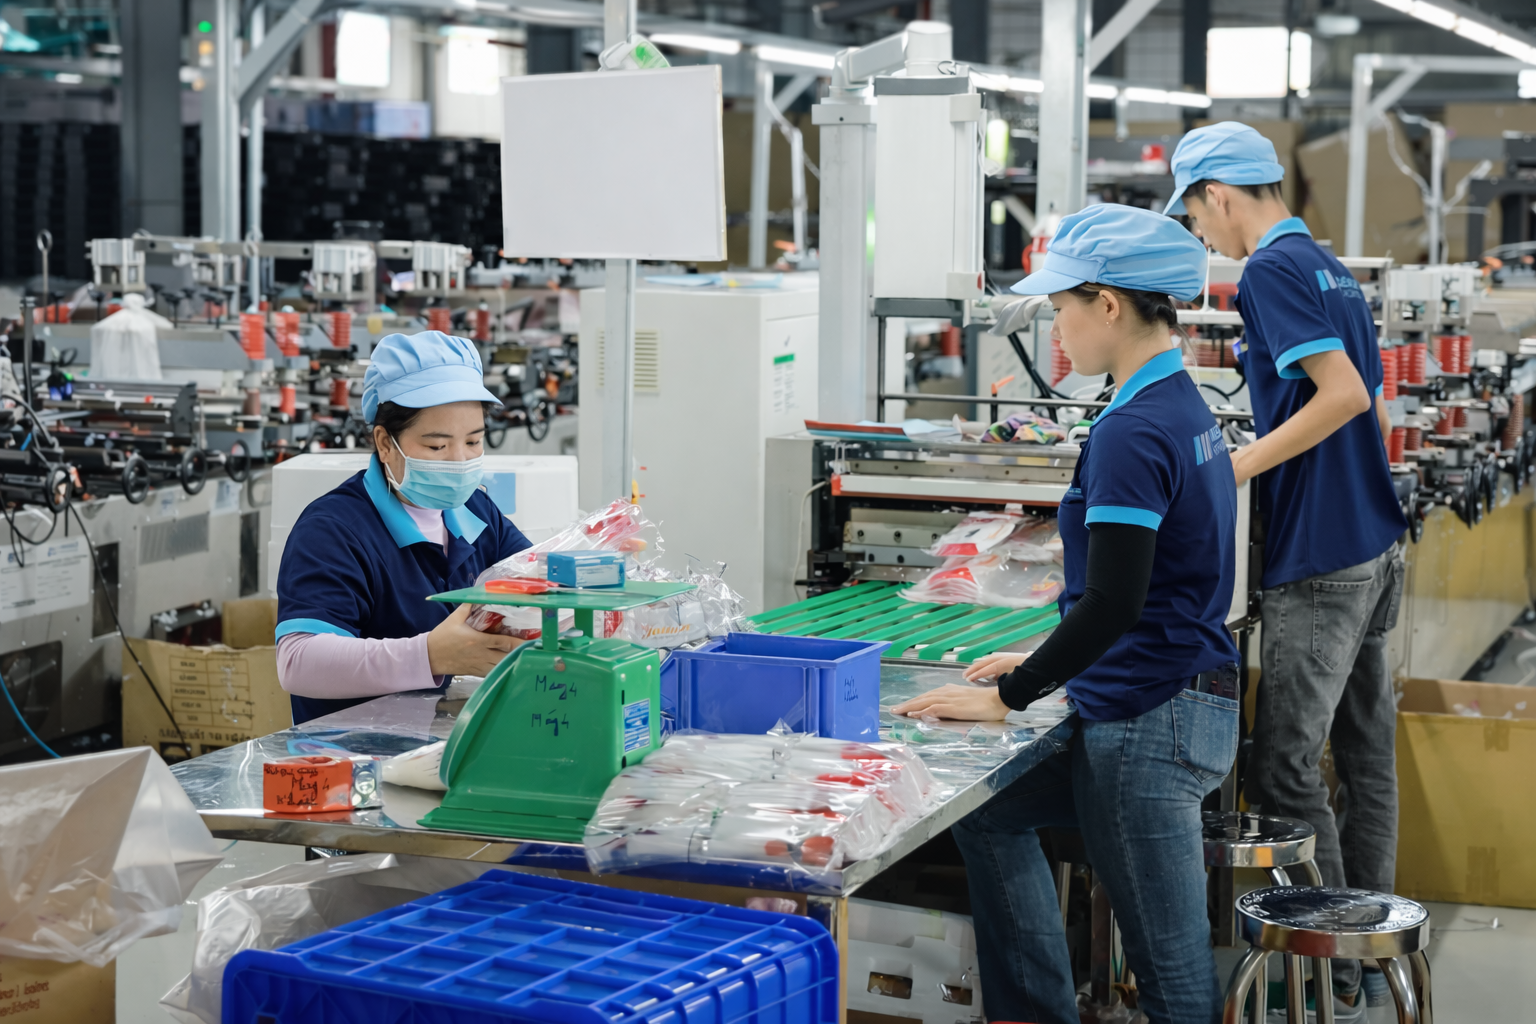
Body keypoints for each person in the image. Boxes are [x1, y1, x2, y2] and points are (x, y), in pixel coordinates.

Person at [894, 203, 1240, 1024]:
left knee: (1172, 974)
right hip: (1172, 692)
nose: (1058, 329)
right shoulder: (1181, 405)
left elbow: (1114, 601)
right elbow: (1140, 589)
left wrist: (1011, 695)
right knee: (987, 812)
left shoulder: (1133, 429)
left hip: (1151, 718)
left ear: (1109, 305)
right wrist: (1041, 659)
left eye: (1061, 308)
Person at [1166, 122, 1408, 1016]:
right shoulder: (1329, 267)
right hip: (1376, 541)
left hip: (1325, 561)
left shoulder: (1266, 271)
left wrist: (1233, 468)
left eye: (1198, 217)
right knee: (1365, 758)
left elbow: (1342, 395)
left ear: (1219, 195)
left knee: (1285, 768)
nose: (1204, 236)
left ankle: (1331, 957)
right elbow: (1367, 405)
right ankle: (1368, 955)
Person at [275, 330, 532, 725]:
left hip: (448, 746)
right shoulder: (334, 530)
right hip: (354, 762)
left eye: (474, 442)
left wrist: (596, 564)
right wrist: (430, 654)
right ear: (384, 442)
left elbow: (534, 581)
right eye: (436, 446)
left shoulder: (475, 511)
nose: (459, 460)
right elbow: (299, 661)